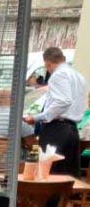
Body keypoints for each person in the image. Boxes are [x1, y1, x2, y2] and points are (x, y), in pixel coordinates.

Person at [24, 47, 86, 177]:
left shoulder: (58, 75)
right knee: (68, 176)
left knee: (49, 173)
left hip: (57, 130)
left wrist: (37, 117)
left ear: (48, 63)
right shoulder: (78, 76)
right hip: (72, 130)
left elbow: (63, 101)